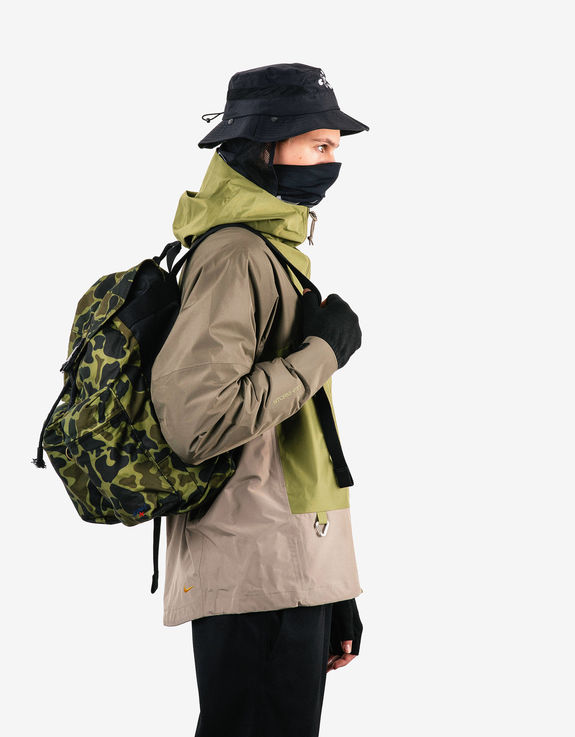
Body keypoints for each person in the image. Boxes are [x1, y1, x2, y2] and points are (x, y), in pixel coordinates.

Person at [150, 62, 368, 737]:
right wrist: (324, 351)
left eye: (336, 147)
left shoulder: (271, 251)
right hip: (253, 570)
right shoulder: (235, 254)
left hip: (286, 568)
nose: (332, 162)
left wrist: (333, 587)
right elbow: (199, 421)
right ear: (264, 146)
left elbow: (296, 443)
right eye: (318, 144)